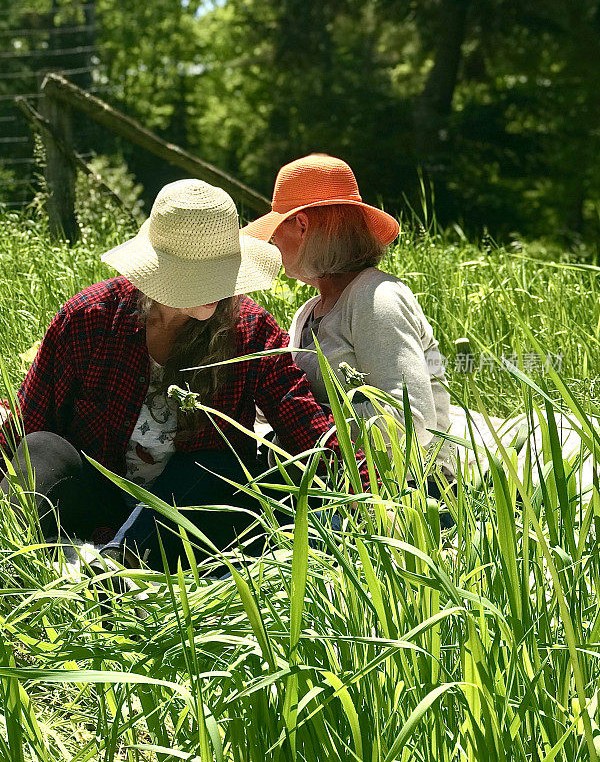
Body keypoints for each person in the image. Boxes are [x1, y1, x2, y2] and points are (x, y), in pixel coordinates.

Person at [0, 178, 369, 571]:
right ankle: (29, 559)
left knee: (218, 464)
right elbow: (27, 428)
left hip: (185, 516)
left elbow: (307, 425)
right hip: (98, 497)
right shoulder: (89, 318)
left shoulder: (250, 330)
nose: (217, 289)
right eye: (199, 277)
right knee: (40, 448)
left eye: (221, 272)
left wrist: (377, 498)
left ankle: (115, 566)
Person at [241, 154, 452, 480]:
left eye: (276, 228)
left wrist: (306, 422)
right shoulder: (309, 311)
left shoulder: (378, 298)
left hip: (411, 497)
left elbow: (413, 423)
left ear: (301, 226)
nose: (272, 241)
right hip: (337, 483)